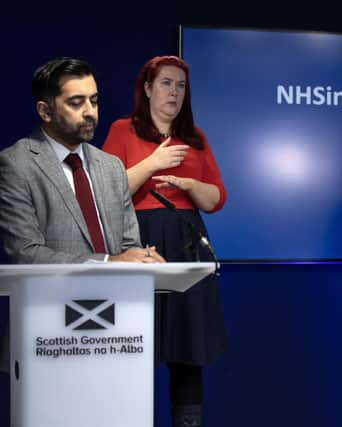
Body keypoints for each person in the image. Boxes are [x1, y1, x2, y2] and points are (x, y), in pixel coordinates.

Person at [0, 57, 164, 374]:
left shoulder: (111, 167)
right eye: (76, 102)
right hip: (48, 334)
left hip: (119, 331)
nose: (90, 111)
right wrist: (109, 262)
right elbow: (26, 254)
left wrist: (142, 257)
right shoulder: (15, 164)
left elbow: (130, 244)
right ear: (45, 111)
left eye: (94, 100)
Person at [102, 55, 226, 427]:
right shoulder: (123, 130)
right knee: (131, 343)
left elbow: (216, 199)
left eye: (181, 85)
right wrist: (153, 163)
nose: (175, 92)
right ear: (148, 88)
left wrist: (189, 185)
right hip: (137, 241)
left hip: (186, 243)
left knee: (187, 351)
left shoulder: (195, 137)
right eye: (167, 83)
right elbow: (109, 192)